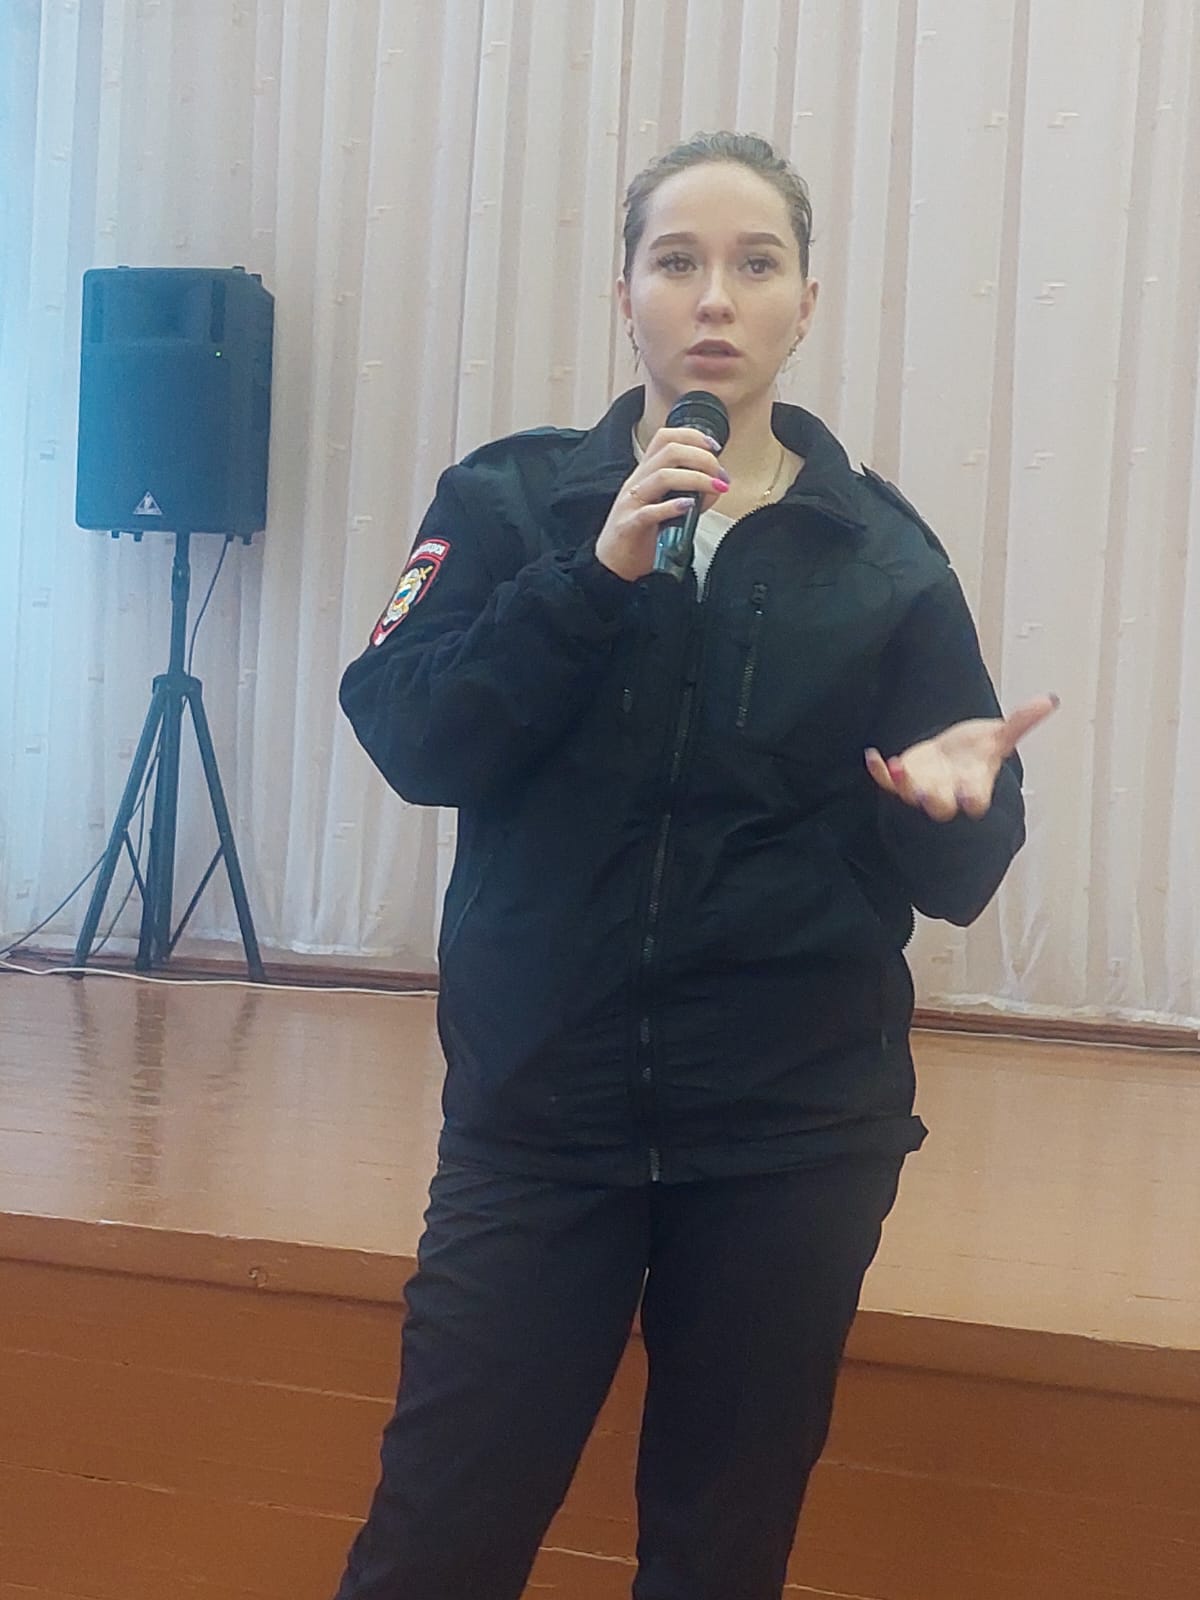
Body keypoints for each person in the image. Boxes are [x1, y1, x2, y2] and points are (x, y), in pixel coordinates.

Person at [334, 130, 1056, 1600]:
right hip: (539, 1122)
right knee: (435, 1545)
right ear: (625, 296)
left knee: (719, 1560)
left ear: (805, 304)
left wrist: (957, 800)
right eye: (677, 261)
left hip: (790, 1139)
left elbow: (963, 866)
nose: (715, 296)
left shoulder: (882, 555)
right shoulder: (509, 502)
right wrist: (591, 575)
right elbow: (412, 735)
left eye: (754, 264)